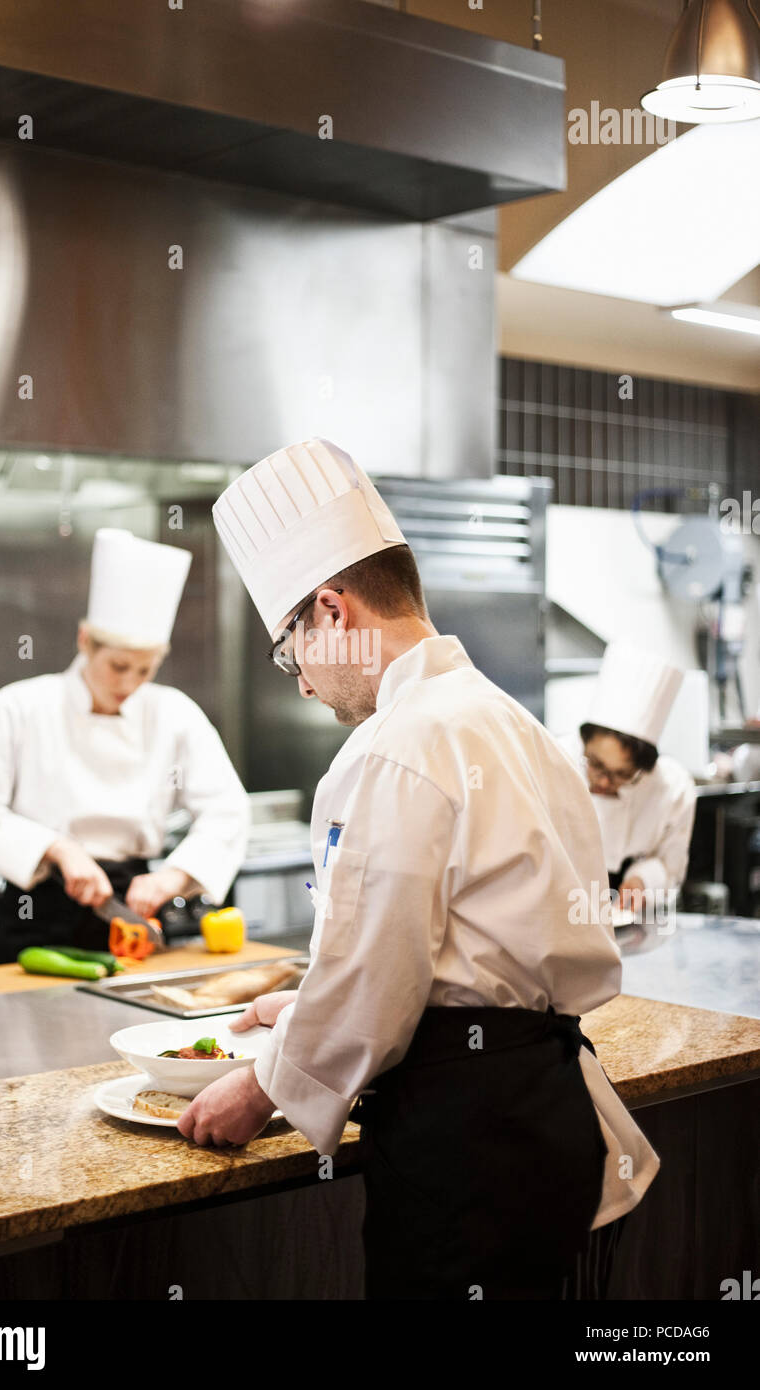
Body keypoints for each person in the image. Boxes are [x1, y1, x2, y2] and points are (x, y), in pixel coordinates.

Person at [177, 437, 660, 1301]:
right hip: (539, 1117)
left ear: (333, 611)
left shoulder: (398, 747)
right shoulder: (513, 726)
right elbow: (465, 951)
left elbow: (377, 977)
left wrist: (260, 1086)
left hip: (466, 1140)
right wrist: (312, 1001)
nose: (301, 686)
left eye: (291, 652)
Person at [0, 528, 250, 961]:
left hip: (134, 907)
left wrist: (173, 878)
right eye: (119, 666)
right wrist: (59, 849)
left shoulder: (174, 713)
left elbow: (228, 811)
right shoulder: (20, 707)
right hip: (39, 905)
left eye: (145, 671)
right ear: (85, 640)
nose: (129, 684)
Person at [560, 642, 697, 916]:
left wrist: (643, 881)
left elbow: (671, 865)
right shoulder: (553, 760)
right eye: (596, 764)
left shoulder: (673, 789)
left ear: (644, 769)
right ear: (583, 741)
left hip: (630, 920)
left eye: (622, 775)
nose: (604, 782)